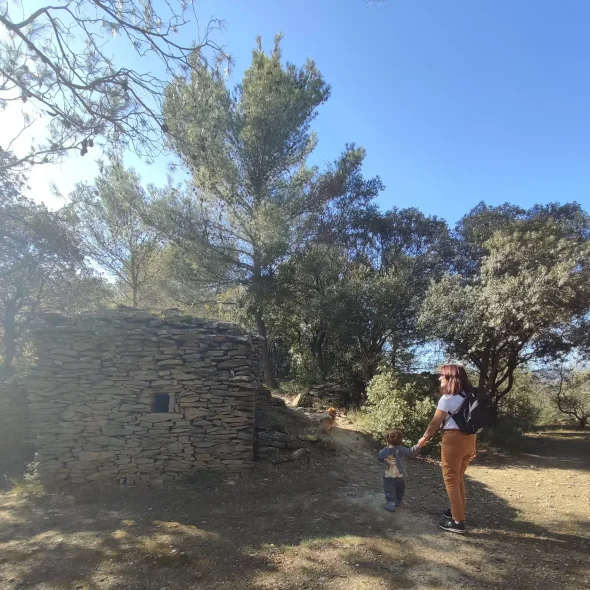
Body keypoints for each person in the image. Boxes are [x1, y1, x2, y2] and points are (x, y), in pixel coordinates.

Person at [418, 365, 477, 534]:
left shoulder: (448, 398)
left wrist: (424, 438)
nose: (439, 378)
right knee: (458, 478)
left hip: (454, 439)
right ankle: (456, 510)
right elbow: (474, 422)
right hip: (470, 440)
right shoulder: (470, 396)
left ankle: (458, 521)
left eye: (442, 375)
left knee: (451, 479)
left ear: (451, 378)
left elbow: (435, 423)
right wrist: (474, 446)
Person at [377, 429, 420, 512]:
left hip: (388, 476)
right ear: (400, 440)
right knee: (400, 489)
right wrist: (418, 446)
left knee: (389, 489)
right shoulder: (400, 450)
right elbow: (411, 452)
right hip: (400, 475)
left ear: (387, 439)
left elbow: (379, 459)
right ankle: (398, 500)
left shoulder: (382, 451)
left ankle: (390, 504)